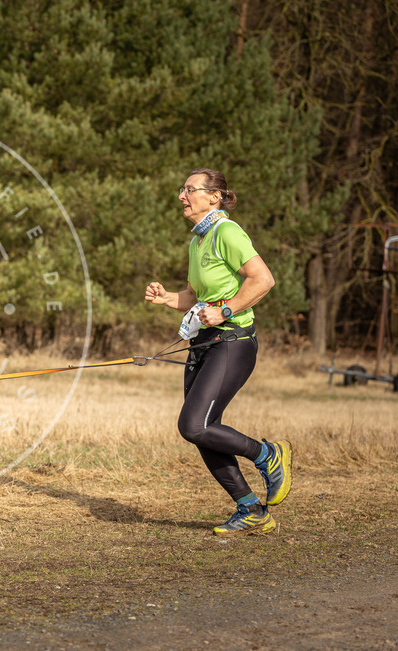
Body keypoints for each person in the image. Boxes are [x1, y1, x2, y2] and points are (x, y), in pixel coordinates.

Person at [144, 167, 292, 535]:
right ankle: (250, 508)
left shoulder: (227, 232)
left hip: (233, 343)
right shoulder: (198, 241)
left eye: (189, 189)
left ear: (214, 197)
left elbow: (264, 279)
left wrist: (226, 310)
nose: (182, 196)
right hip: (203, 344)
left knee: (193, 425)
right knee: (201, 430)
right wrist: (167, 298)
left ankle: (268, 455)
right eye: (182, 189)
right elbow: (195, 297)